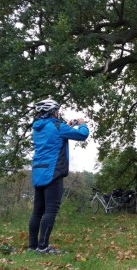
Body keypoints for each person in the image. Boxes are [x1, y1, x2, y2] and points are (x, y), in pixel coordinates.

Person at [28, 99, 89, 254]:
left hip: (38, 171)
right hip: (53, 172)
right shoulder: (57, 126)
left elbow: (53, 136)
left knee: (37, 211)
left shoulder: (37, 128)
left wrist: (66, 126)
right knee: (51, 210)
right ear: (53, 112)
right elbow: (82, 135)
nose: (58, 113)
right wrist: (82, 123)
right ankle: (43, 247)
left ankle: (33, 246)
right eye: (57, 110)